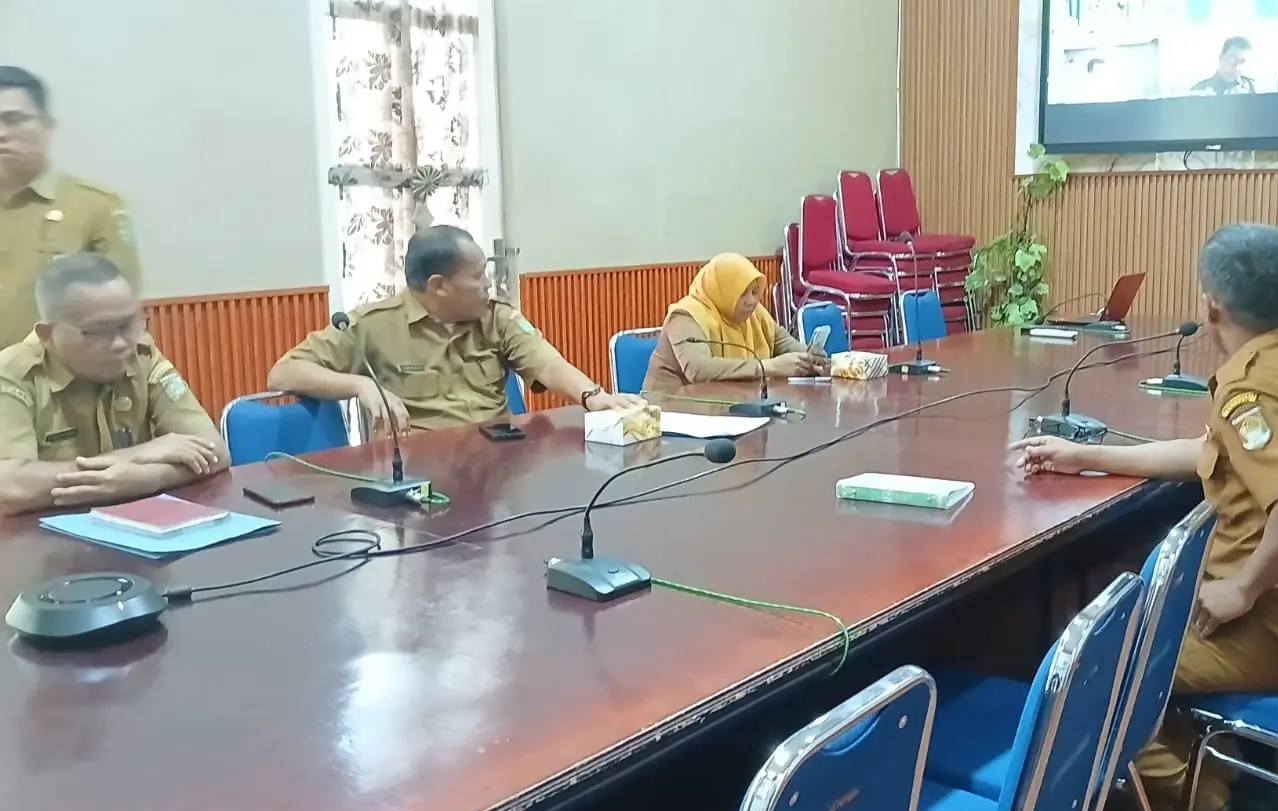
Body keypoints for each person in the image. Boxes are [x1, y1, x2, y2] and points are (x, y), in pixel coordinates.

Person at [1011, 222, 1278, 811]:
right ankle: (1251, 769)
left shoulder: (1252, 390)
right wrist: (1092, 454)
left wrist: (1243, 587)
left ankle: (1230, 806)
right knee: (1122, 629)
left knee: (1084, 672)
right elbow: (1213, 452)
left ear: (1211, 308)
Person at [269, 225, 644, 433]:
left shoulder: (494, 315)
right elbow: (283, 372)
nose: (488, 285)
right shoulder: (372, 325)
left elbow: (547, 364)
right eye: (478, 276)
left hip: (497, 467)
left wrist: (594, 397)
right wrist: (360, 385)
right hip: (421, 476)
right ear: (438, 286)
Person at [0, 253, 228, 516]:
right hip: (39, 542)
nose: (121, 343)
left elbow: (215, 450)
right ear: (48, 335)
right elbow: (10, 486)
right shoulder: (13, 375)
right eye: (99, 332)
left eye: (128, 324)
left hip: (136, 527)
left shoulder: (141, 355)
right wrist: (138, 455)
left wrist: (147, 478)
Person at [0, 67, 141, 350]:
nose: (2, 133)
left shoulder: (93, 207)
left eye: (14, 120)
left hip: (52, 384)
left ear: (47, 126)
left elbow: (118, 316)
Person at [643, 253, 827, 395]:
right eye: (741, 294)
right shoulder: (686, 315)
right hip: (673, 410)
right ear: (722, 291)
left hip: (729, 405)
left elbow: (782, 342)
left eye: (755, 291)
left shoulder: (754, 312)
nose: (751, 301)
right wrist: (767, 367)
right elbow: (699, 369)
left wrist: (807, 357)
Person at [1191, 37, 1257, 96]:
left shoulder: (1254, 89)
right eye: (1232, 59)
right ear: (1220, 58)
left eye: (1242, 61)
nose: (1237, 66)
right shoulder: (1199, 90)